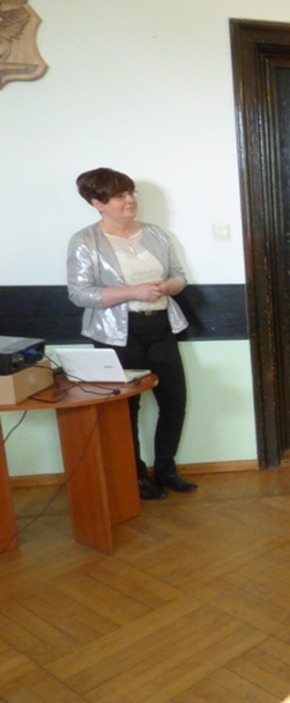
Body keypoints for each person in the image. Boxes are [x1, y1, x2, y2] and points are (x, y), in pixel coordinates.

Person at [66, 167, 196, 500]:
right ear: (97, 203)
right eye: (119, 196)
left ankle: (165, 469)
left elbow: (179, 276)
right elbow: (80, 293)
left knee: (174, 401)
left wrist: (167, 286)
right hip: (116, 334)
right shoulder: (85, 241)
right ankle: (134, 476)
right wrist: (132, 292)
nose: (129, 200)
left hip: (160, 326)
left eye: (130, 193)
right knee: (126, 408)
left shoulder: (156, 234)